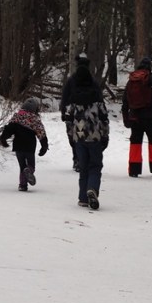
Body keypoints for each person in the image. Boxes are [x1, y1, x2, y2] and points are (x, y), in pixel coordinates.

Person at [63, 64, 109, 210]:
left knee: (83, 168)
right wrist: (105, 136)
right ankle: (92, 189)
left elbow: (68, 120)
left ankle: (83, 198)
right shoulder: (97, 98)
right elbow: (104, 119)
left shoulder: (73, 100)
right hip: (95, 137)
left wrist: (71, 137)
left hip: (79, 137)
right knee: (95, 166)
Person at [121, 56, 152, 177]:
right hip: (151, 117)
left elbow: (125, 100)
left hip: (135, 117)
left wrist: (125, 117)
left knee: (135, 142)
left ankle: (133, 170)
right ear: (150, 67)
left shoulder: (131, 80)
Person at [60, 53, 99, 172]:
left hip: (72, 112)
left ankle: (77, 159)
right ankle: (84, 159)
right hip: (88, 113)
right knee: (87, 135)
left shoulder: (72, 79)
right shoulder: (92, 80)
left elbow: (65, 96)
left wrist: (63, 111)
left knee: (74, 136)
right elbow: (99, 97)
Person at [0, 97, 48, 191]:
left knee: (22, 166)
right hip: (29, 146)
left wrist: (3, 139)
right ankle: (29, 171)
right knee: (31, 165)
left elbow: (9, 129)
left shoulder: (17, 117)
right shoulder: (34, 119)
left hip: (18, 146)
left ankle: (22, 185)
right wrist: (44, 146)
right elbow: (41, 132)